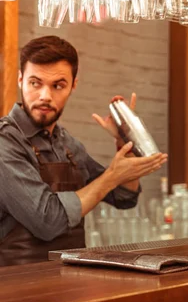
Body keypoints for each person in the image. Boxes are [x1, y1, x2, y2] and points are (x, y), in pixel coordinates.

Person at [0, 36, 168, 266]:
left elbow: (123, 197)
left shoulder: (68, 144)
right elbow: (47, 221)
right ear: (20, 80)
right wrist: (111, 176)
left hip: (70, 280)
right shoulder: (5, 142)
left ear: (73, 85)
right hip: (18, 289)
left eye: (58, 85)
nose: (45, 96)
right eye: (35, 83)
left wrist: (125, 141)